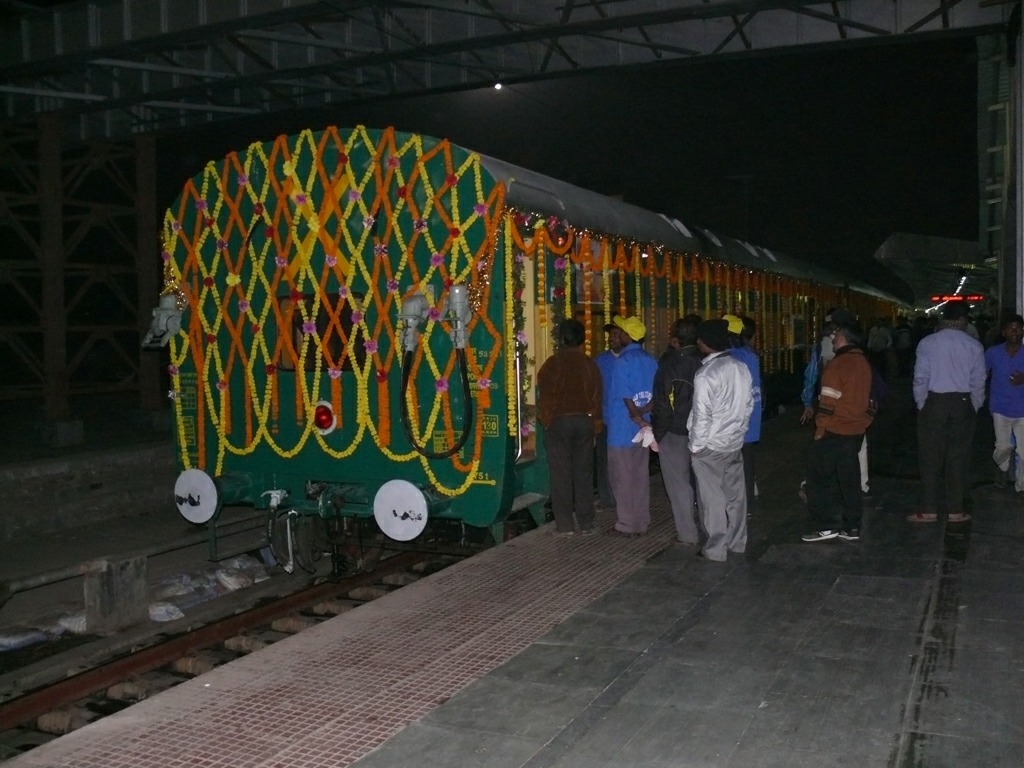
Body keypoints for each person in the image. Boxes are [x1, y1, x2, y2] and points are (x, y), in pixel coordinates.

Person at [908, 301, 985, 524]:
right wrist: (974, 404)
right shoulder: (973, 345)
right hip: (962, 402)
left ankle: (929, 509)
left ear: (943, 318)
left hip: (934, 402)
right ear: (963, 319)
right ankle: (955, 510)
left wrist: (922, 403)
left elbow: (920, 377)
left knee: (929, 456)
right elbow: (978, 380)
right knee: (958, 457)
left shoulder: (928, 343)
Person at [800, 320, 875, 542]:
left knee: (818, 479)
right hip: (855, 430)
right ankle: (852, 527)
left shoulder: (837, 365)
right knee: (850, 480)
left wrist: (820, 429)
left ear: (844, 338)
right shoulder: (863, 362)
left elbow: (827, 403)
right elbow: (869, 399)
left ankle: (826, 525)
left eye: (836, 334)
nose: (832, 338)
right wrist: (864, 422)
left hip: (835, 430)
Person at [688, 319, 753, 561]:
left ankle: (716, 548)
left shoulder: (705, 374)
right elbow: (749, 405)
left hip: (710, 446)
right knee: (736, 496)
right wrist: (740, 432)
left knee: (712, 498)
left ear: (705, 343)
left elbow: (701, 415)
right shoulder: (740, 367)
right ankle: (737, 542)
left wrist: (696, 447)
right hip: (734, 442)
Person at [537, 319, 604, 535]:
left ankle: (565, 525)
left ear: (561, 339)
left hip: (559, 423)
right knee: (584, 474)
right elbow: (597, 397)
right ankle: (586, 523)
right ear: (581, 339)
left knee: (560, 475)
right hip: (584, 422)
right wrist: (595, 425)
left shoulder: (552, 364)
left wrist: (547, 420)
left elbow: (545, 397)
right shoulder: (589, 364)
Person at [604, 315, 658, 536]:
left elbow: (625, 396)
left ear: (628, 336)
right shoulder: (651, 360)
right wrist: (644, 415)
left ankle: (627, 524)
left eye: (622, 332)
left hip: (622, 428)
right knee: (640, 476)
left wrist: (636, 416)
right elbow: (657, 393)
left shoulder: (622, 362)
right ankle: (642, 520)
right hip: (644, 430)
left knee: (622, 477)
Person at [650, 315, 703, 545]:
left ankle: (687, 534)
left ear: (676, 339)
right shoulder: (705, 361)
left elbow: (663, 403)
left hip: (675, 431)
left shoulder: (670, 365)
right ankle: (710, 528)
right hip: (701, 430)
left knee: (678, 484)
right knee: (703, 481)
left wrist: (658, 433)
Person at [724, 314, 762, 506]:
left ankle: (740, 503)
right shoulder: (750, 355)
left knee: (734, 465)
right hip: (751, 417)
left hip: (735, 420)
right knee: (747, 461)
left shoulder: (731, 357)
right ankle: (748, 502)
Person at [984, 314, 1024, 491]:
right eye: (1011, 329)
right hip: (1000, 407)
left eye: (1018, 328)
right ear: (1004, 332)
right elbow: (982, 374)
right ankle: (1002, 467)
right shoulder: (993, 353)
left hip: (1022, 409)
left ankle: (1021, 485)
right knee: (1003, 447)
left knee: (1023, 451)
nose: (1014, 332)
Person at [593, 322, 625, 513]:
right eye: (610, 335)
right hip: (605, 419)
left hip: (627, 421)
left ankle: (625, 496)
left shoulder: (632, 359)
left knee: (624, 461)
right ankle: (607, 498)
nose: (612, 338)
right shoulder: (600, 360)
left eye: (616, 334)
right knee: (603, 460)